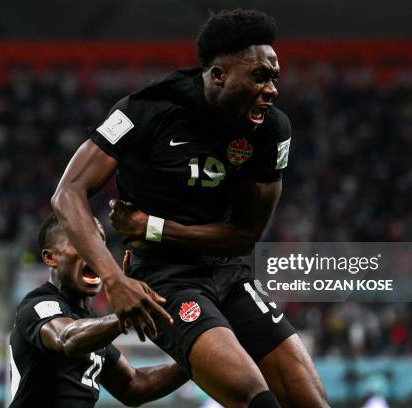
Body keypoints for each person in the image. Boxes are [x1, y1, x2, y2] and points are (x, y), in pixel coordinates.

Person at [52, 9, 328, 408]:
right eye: (259, 77)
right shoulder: (146, 109)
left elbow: (245, 236)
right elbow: (67, 193)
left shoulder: (271, 130)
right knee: (257, 400)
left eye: (274, 78)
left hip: (228, 273)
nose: (272, 90)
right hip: (164, 280)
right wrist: (114, 280)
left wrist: (152, 226)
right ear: (218, 76)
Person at [8, 214, 188, 407]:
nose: (95, 253)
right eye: (80, 242)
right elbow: (67, 338)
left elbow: (134, 385)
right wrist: (125, 313)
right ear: (51, 257)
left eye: (99, 244)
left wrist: (195, 362)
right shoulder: (37, 306)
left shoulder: (89, 324)